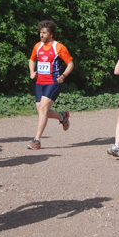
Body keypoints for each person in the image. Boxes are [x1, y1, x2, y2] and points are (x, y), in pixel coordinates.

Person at [28, 20, 74, 150]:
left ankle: (36, 140)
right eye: (40, 32)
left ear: (51, 34)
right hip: (39, 82)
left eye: (44, 33)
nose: (41, 35)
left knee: (43, 109)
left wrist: (63, 76)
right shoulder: (37, 46)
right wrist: (32, 72)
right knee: (42, 110)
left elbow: (70, 64)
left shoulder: (59, 47)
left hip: (53, 82)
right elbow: (32, 60)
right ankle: (62, 117)